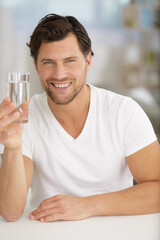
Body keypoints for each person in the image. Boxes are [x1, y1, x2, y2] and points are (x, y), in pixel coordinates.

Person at [0, 13, 160, 222]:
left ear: (88, 61)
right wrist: (12, 146)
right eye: (48, 62)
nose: (59, 74)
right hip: (46, 233)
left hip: (117, 232)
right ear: (36, 66)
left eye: (70, 61)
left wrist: (88, 205)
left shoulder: (124, 111)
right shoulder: (25, 117)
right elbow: (10, 212)